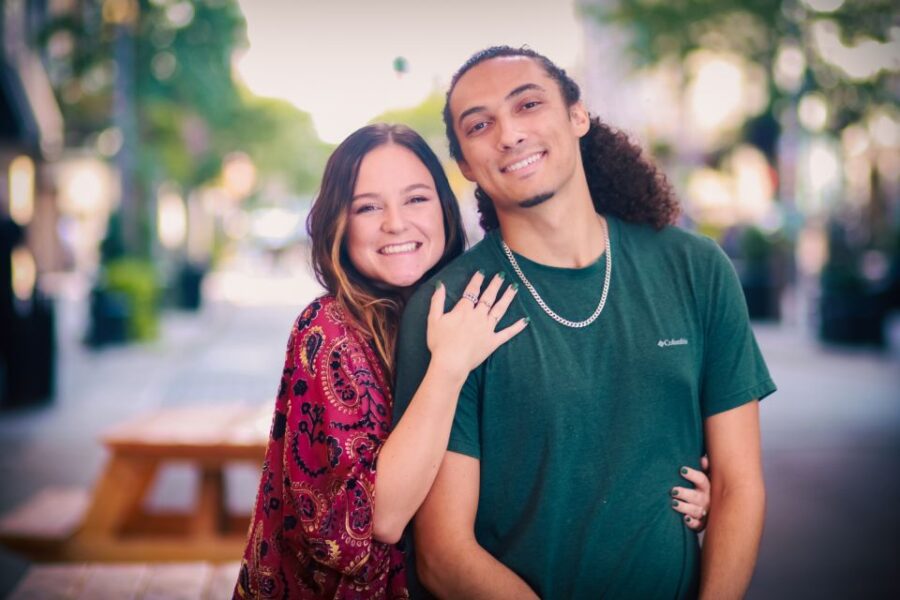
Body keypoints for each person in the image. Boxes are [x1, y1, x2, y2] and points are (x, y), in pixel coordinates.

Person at [234, 123, 712, 599]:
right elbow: (379, 519)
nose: (395, 222)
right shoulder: (329, 330)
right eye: (367, 206)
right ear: (340, 223)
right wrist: (448, 367)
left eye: (416, 199)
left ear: (445, 208)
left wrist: (664, 487)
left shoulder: (474, 302)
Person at [392, 47, 776, 599]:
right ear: (467, 167)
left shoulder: (695, 268)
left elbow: (739, 485)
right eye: (480, 125)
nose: (509, 133)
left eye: (528, 104)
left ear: (577, 115)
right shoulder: (451, 307)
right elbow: (442, 554)